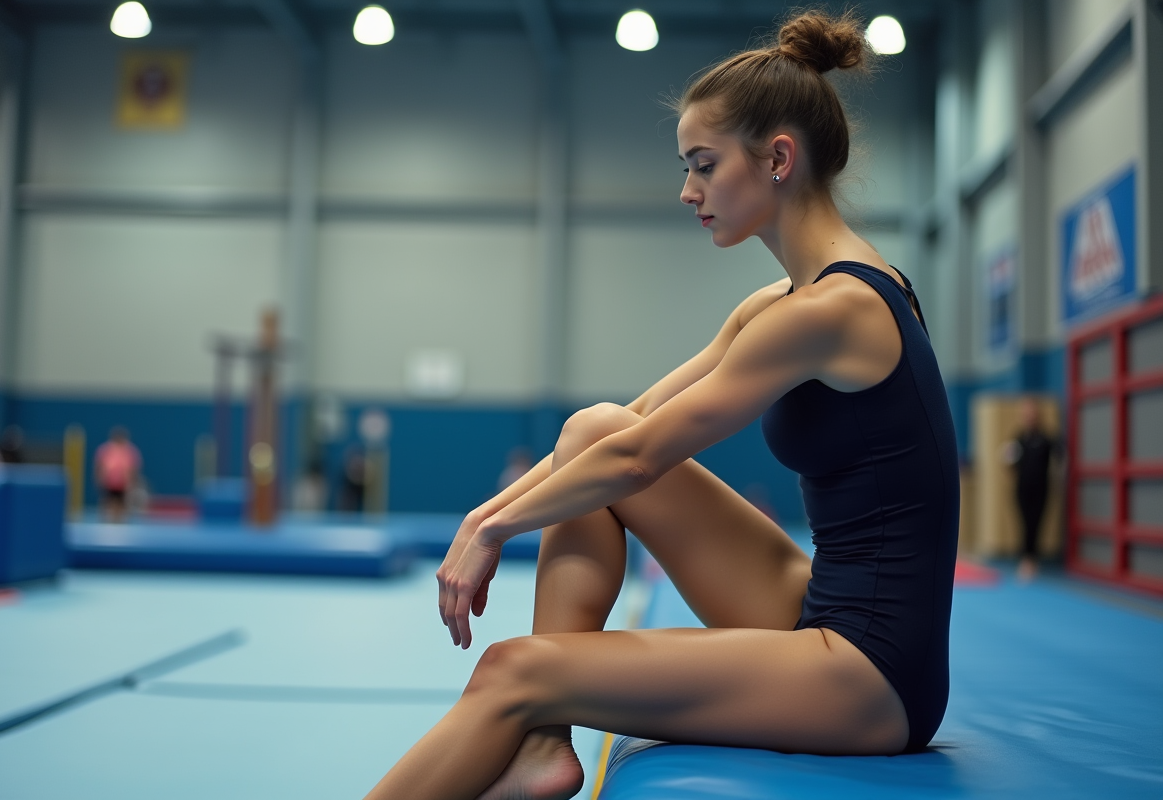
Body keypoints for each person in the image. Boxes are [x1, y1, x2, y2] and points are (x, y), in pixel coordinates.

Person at [366, 12, 959, 800]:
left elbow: (645, 460)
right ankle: (544, 747)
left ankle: (537, 718)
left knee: (513, 668)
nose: (688, 191)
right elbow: (620, 434)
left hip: (874, 672)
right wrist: (489, 513)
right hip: (820, 603)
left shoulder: (835, 311)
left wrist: (491, 528)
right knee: (592, 429)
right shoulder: (784, 303)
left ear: (779, 158)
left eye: (704, 166)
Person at [1005, 399, 1058, 581]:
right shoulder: (1019, 439)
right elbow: (1010, 463)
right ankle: (1025, 557)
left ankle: (1031, 559)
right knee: (1025, 522)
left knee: (1036, 523)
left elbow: (1059, 458)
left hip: (1041, 488)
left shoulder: (1045, 439)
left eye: (1032, 414)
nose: (1029, 418)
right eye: (1026, 415)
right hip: (1022, 488)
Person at [94, 426, 141, 523]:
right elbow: (99, 466)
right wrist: (99, 479)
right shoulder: (105, 450)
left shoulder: (130, 451)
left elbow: (133, 469)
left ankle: (120, 522)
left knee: (122, 505)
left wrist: (132, 482)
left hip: (123, 484)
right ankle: (106, 522)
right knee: (108, 503)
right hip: (109, 483)